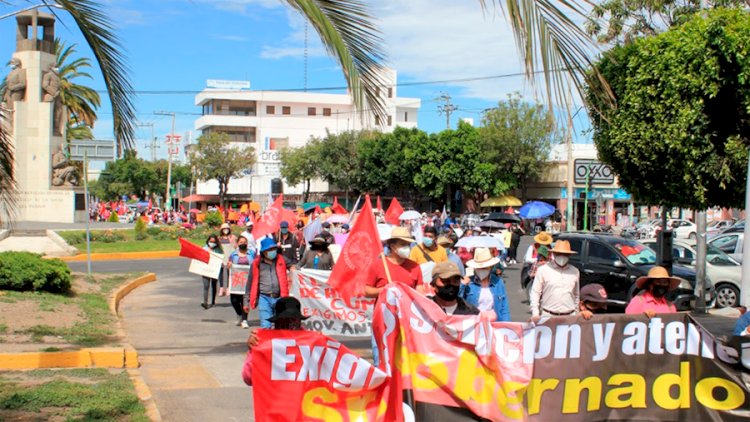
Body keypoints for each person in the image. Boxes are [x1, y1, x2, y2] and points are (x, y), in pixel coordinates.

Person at [365, 227, 424, 365]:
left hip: (408, 322)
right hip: (383, 321)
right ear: (392, 246)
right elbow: (366, 291)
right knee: (381, 359)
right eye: (403, 244)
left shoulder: (415, 267)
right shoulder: (378, 265)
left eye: (408, 244)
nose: (407, 248)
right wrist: (386, 290)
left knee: (405, 362)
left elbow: (420, 292)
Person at [242, 297, 309, 386]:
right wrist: (254, 351)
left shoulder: (311, 343)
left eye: (292, 319)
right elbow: (248, 378)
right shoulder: (264, 343)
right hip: (274, 398)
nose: (288, 324)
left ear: (299, 321)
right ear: (276, 322)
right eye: (283, 320)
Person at [244, 238, 290, 329]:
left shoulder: (281, 260)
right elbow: (249, 283)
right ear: (264, 252)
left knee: (280, 326)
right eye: (269, 250)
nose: (272, 251)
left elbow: (295, 264)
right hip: (264, 298)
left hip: (280, 298)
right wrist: (246, 301)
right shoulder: (256, 264)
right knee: (266, 326)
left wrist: (294, 267)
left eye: (274, 249)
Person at [529, 240, 580, 320]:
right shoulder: (543, 270)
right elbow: (535, 293)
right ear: (554, 254)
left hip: (569, 316)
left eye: (565, 254)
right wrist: (535, 314)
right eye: (559, 253)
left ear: (569, 255)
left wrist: (576, 314)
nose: (562, 256)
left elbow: (576, 295)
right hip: (548, 316)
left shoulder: (574, 272)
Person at [461, 248, 510, 321]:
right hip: (473, 325)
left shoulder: (498, 282)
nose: (481, 270)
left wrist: (507, 326)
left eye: (484, 268)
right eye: (478, 268)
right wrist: (461, 285)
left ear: (490, 267)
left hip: (494, 324)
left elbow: (504, 307)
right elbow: (457, 302)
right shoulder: (468, 283)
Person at [227, 236, 255, 328]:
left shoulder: (252, 253)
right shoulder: (233, 254)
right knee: (234, 300)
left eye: (244, 242)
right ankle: (239, 313)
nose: (243, 243)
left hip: (248, 280)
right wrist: (229, 264)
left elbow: (256, 264)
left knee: (245, 300)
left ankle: (244, 320)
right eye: (241, 242)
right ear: (238, 243)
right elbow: (229, 266)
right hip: (237, 281)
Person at [201, 235, 223, 309]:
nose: (212, 243)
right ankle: (205, 302)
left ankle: (213, 301)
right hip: (206, 270)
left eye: (214, 242)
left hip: (214, 270)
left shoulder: (219, 250)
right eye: (211, 241)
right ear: (208, 241)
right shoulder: (204, 248)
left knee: (214, 285)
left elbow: (221, 258)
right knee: (206, 286)